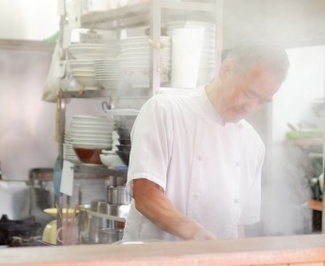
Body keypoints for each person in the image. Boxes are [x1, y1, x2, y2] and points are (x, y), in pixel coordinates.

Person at [122, 37, 290, 242]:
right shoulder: (165, 111)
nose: (251, 107)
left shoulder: (253, 144)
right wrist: (195, 234)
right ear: (226, 70)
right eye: (249, 93)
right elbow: (146, 196)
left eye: (262, 101)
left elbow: (240, 225)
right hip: (153, 265)